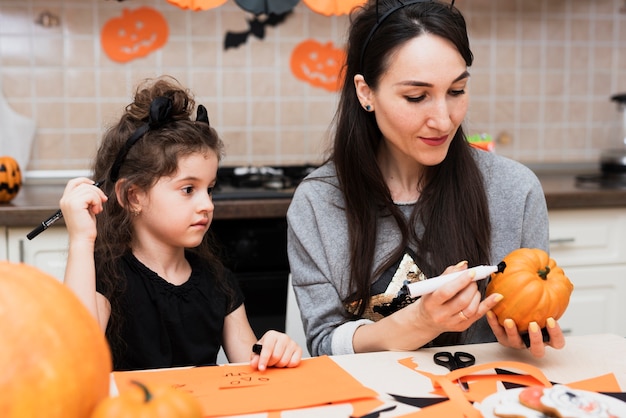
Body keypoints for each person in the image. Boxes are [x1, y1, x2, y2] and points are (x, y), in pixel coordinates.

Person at [287, 0, 565, 359]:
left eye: (456, 91)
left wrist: (527, 335)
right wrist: (420, 321)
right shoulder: (317, 204)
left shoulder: (515, 190)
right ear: (365, 92)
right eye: (416, 97)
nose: (444, 120)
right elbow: (324, 344)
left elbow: (529, 317)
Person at [60, 77, 302, 371]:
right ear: (132, 195)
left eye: (209, 189)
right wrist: (81, 241)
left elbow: (251, 368)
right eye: (188, 189)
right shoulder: (106, 276)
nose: (207, 204)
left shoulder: (218, 281)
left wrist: (273, 351)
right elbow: (76, 358)